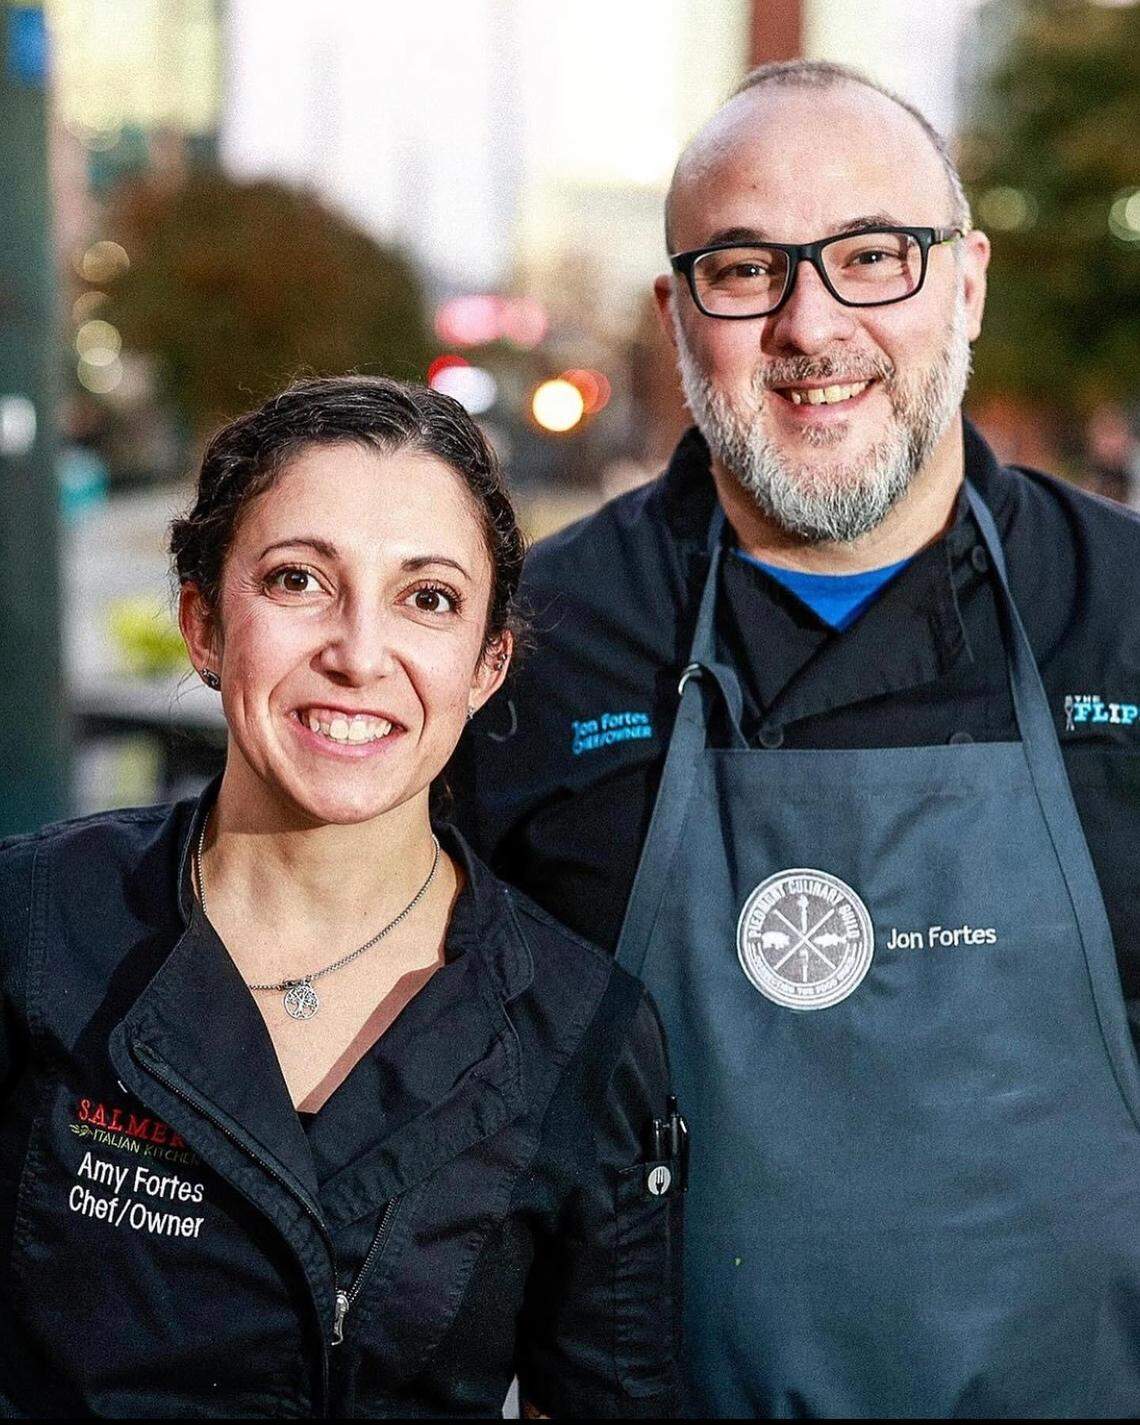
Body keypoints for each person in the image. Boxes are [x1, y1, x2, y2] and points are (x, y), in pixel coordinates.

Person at [452, 60, 1140, 1417]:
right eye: (745, 269)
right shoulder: (528, 650)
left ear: (968, 285)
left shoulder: (1123, 615)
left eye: (873, 255)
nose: (810, 325)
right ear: (676, 317)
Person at [0, 376, 684, 1418]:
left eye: (428, 598)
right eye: (298, 580)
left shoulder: (581, 1030)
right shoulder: (37, 922)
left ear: (488, 664)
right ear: (203, 623)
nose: (360, 655)